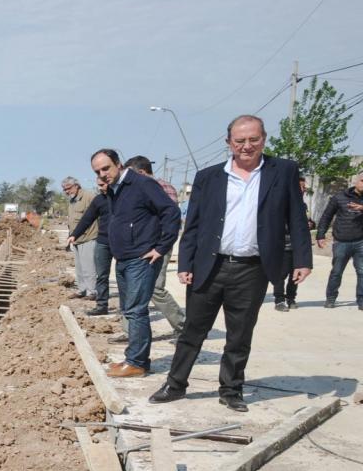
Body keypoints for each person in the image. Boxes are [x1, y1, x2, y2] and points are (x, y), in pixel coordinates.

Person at [150, 115, 312, 412]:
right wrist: (185, 263)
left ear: (264, 139)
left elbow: (297, 217)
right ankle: (175, 384)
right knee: (193, 331)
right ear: (229, 143)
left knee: (240, 334)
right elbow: (193, 224)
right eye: (240, 141)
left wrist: (302, 258)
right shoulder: (208, 177)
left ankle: (231, 389)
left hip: (253, 268)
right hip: (209, 266)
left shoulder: (283, 171)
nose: (247, 146)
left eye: (253, 139)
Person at [89, 148, 181, 378]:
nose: (102, 175)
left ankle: (137, 363)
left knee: (136, 310)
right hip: (123, 257)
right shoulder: (115, 189)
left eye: (106, 168)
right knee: (129, 310)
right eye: (97, 172)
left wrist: (161, 247)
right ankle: (134, 358)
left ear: (118, 164)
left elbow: (171, 212)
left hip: (141, 257)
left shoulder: (142, 184)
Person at [120, 156, 185, 335]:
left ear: (141, 172)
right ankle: (131, 332)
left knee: (155, 289)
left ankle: (183, 326)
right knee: (131, 288)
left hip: (157, 247)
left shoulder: (161, 188)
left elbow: (170, 219)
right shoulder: (136, 188)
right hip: (139, 247)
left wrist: (160, 247)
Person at [316, 170, 363, 310]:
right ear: (356, 181)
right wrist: (320, 235)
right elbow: (326, 216)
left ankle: (361, 301)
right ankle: (330, 299)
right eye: (362, 181)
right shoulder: (339, 197)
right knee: (336, 272)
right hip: (341, 241)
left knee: (362, 272)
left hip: (360, 242)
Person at [69, 180, 113, 314]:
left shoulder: (123, 197)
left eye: (103, 185)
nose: (100, 188)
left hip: (122, 241)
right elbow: (87, 218)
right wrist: (75, 234)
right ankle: (101, 306)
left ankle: (128, 308)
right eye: (99, 185)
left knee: (123, 275)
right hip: (103, 241)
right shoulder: (99, 199)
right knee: (102, 275)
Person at [273, 175, 315, 310]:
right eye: (300, 187)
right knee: (280, 275)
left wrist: (310, 224)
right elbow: (276, 225)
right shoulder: (281, 204)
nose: (302, 189)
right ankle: (279, 300)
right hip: (284, 246)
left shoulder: (303, 205)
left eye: (304, 187)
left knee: (296, 274)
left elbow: (305, 223)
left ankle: (291, 298)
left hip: (298, 247)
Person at [62, 176, 98, 298]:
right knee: (79, 268)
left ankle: (92, 291)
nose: (67, 191)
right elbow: (72, 221)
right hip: (76, 239)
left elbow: (97, 217)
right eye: (64, 189)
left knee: (89, 267)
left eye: (68, 188)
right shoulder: (72, 201)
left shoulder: (89, 197)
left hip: (88, 237)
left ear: (76, 186)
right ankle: (82, 290)